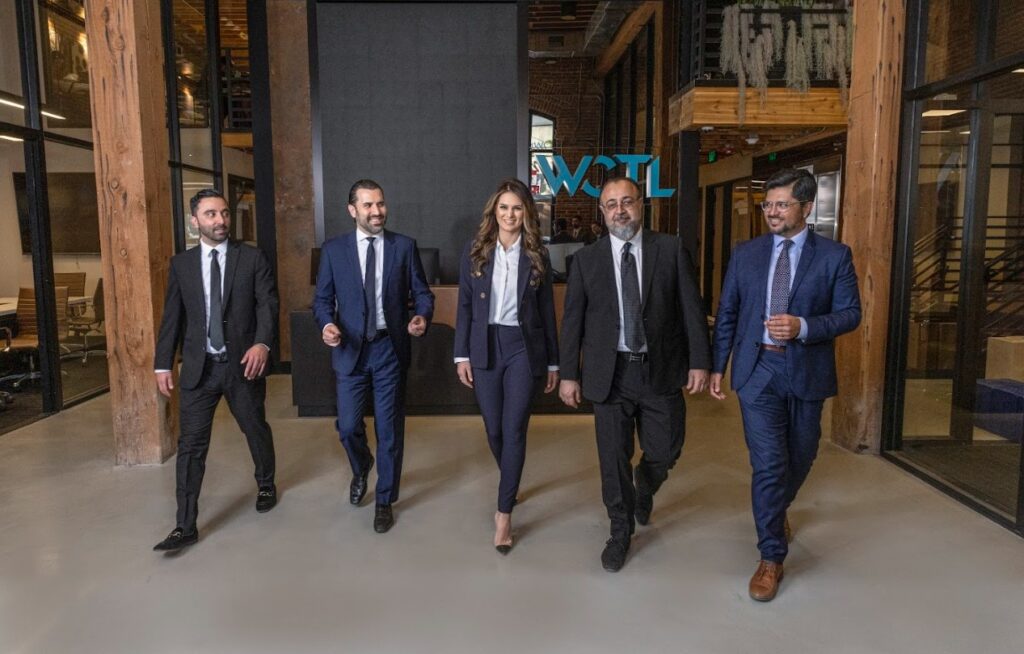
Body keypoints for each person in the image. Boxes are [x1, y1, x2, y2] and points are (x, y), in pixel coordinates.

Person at [710, 168, 861, 602]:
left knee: (802, 454)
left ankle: (776, 509)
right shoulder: (746, 254)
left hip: (807, 371)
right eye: (768, 204)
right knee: (770, 465)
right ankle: (771, 556)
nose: (772, 212)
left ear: (807, 208)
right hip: (757, 371)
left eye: (782, 204)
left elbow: (850, 314)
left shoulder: (834, 256)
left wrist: (804, 326)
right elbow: (729, 314)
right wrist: (718, 365)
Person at [558, 176, 711, 572]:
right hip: (609, 375)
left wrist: (700, 361)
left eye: (627, 202)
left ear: (642, 205)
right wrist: (569, 375)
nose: (620, 210)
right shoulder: (585, 260)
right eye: (611, 204)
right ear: (602, 212)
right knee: (613, 458)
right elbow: (572, 322)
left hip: (660, 369)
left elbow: (692, 310)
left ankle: (646, 483)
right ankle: (620, 529)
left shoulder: (670, 249)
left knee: (666, 449)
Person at [153, 188, 279, 552]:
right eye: (211, 214)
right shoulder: (182, 265)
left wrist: (262, 344)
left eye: (224, 213)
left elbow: (268, 305)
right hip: (199, 370)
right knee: (191, 446)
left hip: (243, 365)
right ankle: (185, 525)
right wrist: (163, 363)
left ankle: (266, 483)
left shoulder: (252, 259)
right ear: (195, 222)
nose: (220, 220)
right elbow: (172, 319)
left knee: (255, 429)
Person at [313, 179, 434, 534]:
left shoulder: (404, 247)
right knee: (348, 426)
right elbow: (322, 300)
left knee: (389, 429)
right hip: (349, 349)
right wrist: (326, 325)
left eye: (380, 204)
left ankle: (384, 499)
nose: (377, 211)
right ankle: (362, 465)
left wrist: (421, 316)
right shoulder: (334, 251)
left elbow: (422, 293)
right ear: (353, 210)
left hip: (388, 350)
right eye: (368, 205)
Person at [454, 178, 559, 554]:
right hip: (484, 347)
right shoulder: (475, 251)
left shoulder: (537, 254)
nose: (510, 214)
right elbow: (465, 307)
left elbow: (547, 311)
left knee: (514, 429)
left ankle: (503, 514)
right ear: (494, 213)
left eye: (517, 208)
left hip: (522, 349)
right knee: (494, 428)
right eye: (503, 208)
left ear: (526, 213)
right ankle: (510, 478)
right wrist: (461, 355)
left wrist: (552, 362)